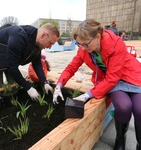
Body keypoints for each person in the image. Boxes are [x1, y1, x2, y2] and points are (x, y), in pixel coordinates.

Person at [52, 19, 141, 150]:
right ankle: (120, 140)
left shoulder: (116, 43)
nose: (82, 48)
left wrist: (88, 95)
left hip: (130, 76)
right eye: (79, 44)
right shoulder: (84, 49)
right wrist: (59, 85)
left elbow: (113, 77)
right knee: (123, 107)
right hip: (111, 81)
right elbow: (71, 67)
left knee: (139, 109)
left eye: (86, 44)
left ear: (98, 37)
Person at [0, 23, 59, 101]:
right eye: (50, 43)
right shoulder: (19, 36)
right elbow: (12, 68)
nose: (50, 47)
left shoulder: (36, 44)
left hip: (9, 58)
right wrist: (28, 88)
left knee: (13, 85)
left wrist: (44, 82)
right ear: (43, 35)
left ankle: (12, 104)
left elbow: (37, 65)